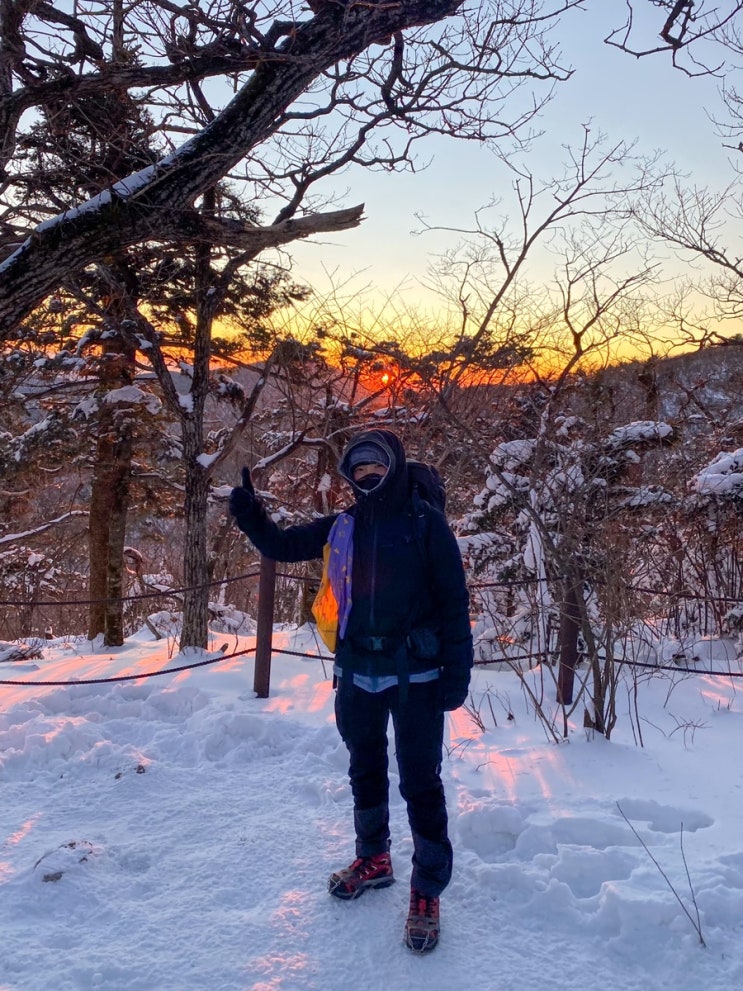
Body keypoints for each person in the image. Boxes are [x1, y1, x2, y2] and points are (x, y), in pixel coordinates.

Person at [228, 428, 473, 953]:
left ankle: (427, 889)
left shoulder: (426, 524)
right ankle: (374, 857)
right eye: (359, 470)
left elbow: (455, 602)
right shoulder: (345, 525)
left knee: (420, 782)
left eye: (376, 468)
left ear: (394, 468)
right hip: (358, 671)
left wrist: (457, 674)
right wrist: (251, 515)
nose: (368, 478)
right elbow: (282, 545)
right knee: (364, 768)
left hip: (417, 676)